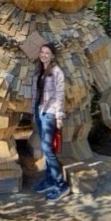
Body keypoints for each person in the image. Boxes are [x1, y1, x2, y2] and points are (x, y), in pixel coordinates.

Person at [32, 43, 70, 200]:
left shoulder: (57, 72)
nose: (44, 55)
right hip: (40, 112)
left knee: (48, 150)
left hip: (50, 114)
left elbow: (60, 96)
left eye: (47, 53)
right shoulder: (40, 71)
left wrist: (59, 117)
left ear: (53, 55)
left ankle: (61, 184)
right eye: (42, 52)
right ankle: (49, 179)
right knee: (44, 148)